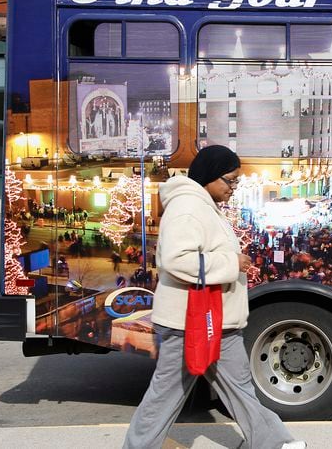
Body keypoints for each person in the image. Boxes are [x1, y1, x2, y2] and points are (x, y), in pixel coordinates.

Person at [123, 145, 304, 449]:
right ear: (208, 177)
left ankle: (274, 442)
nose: (233, 188)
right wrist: (232, 264)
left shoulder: (201, 204)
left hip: (212, 319)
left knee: (238, 388)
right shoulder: (187, 207)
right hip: (191, 322)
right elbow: (175, 260)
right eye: (229, 180)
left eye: (236, 181)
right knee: (167, 395)